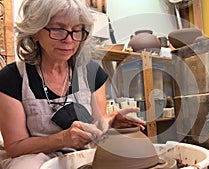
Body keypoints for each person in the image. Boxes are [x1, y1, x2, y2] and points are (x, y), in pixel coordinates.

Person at [0, 0, 145, 168]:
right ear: (35, 32)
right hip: (35, 157)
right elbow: (15, 147)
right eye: (58, 30)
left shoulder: (91, 72)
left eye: (76, 31)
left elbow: (97, 129)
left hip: (83, 153)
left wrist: (110, 123)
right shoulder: (12, 78)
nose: (69, 40)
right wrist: (62, 139)